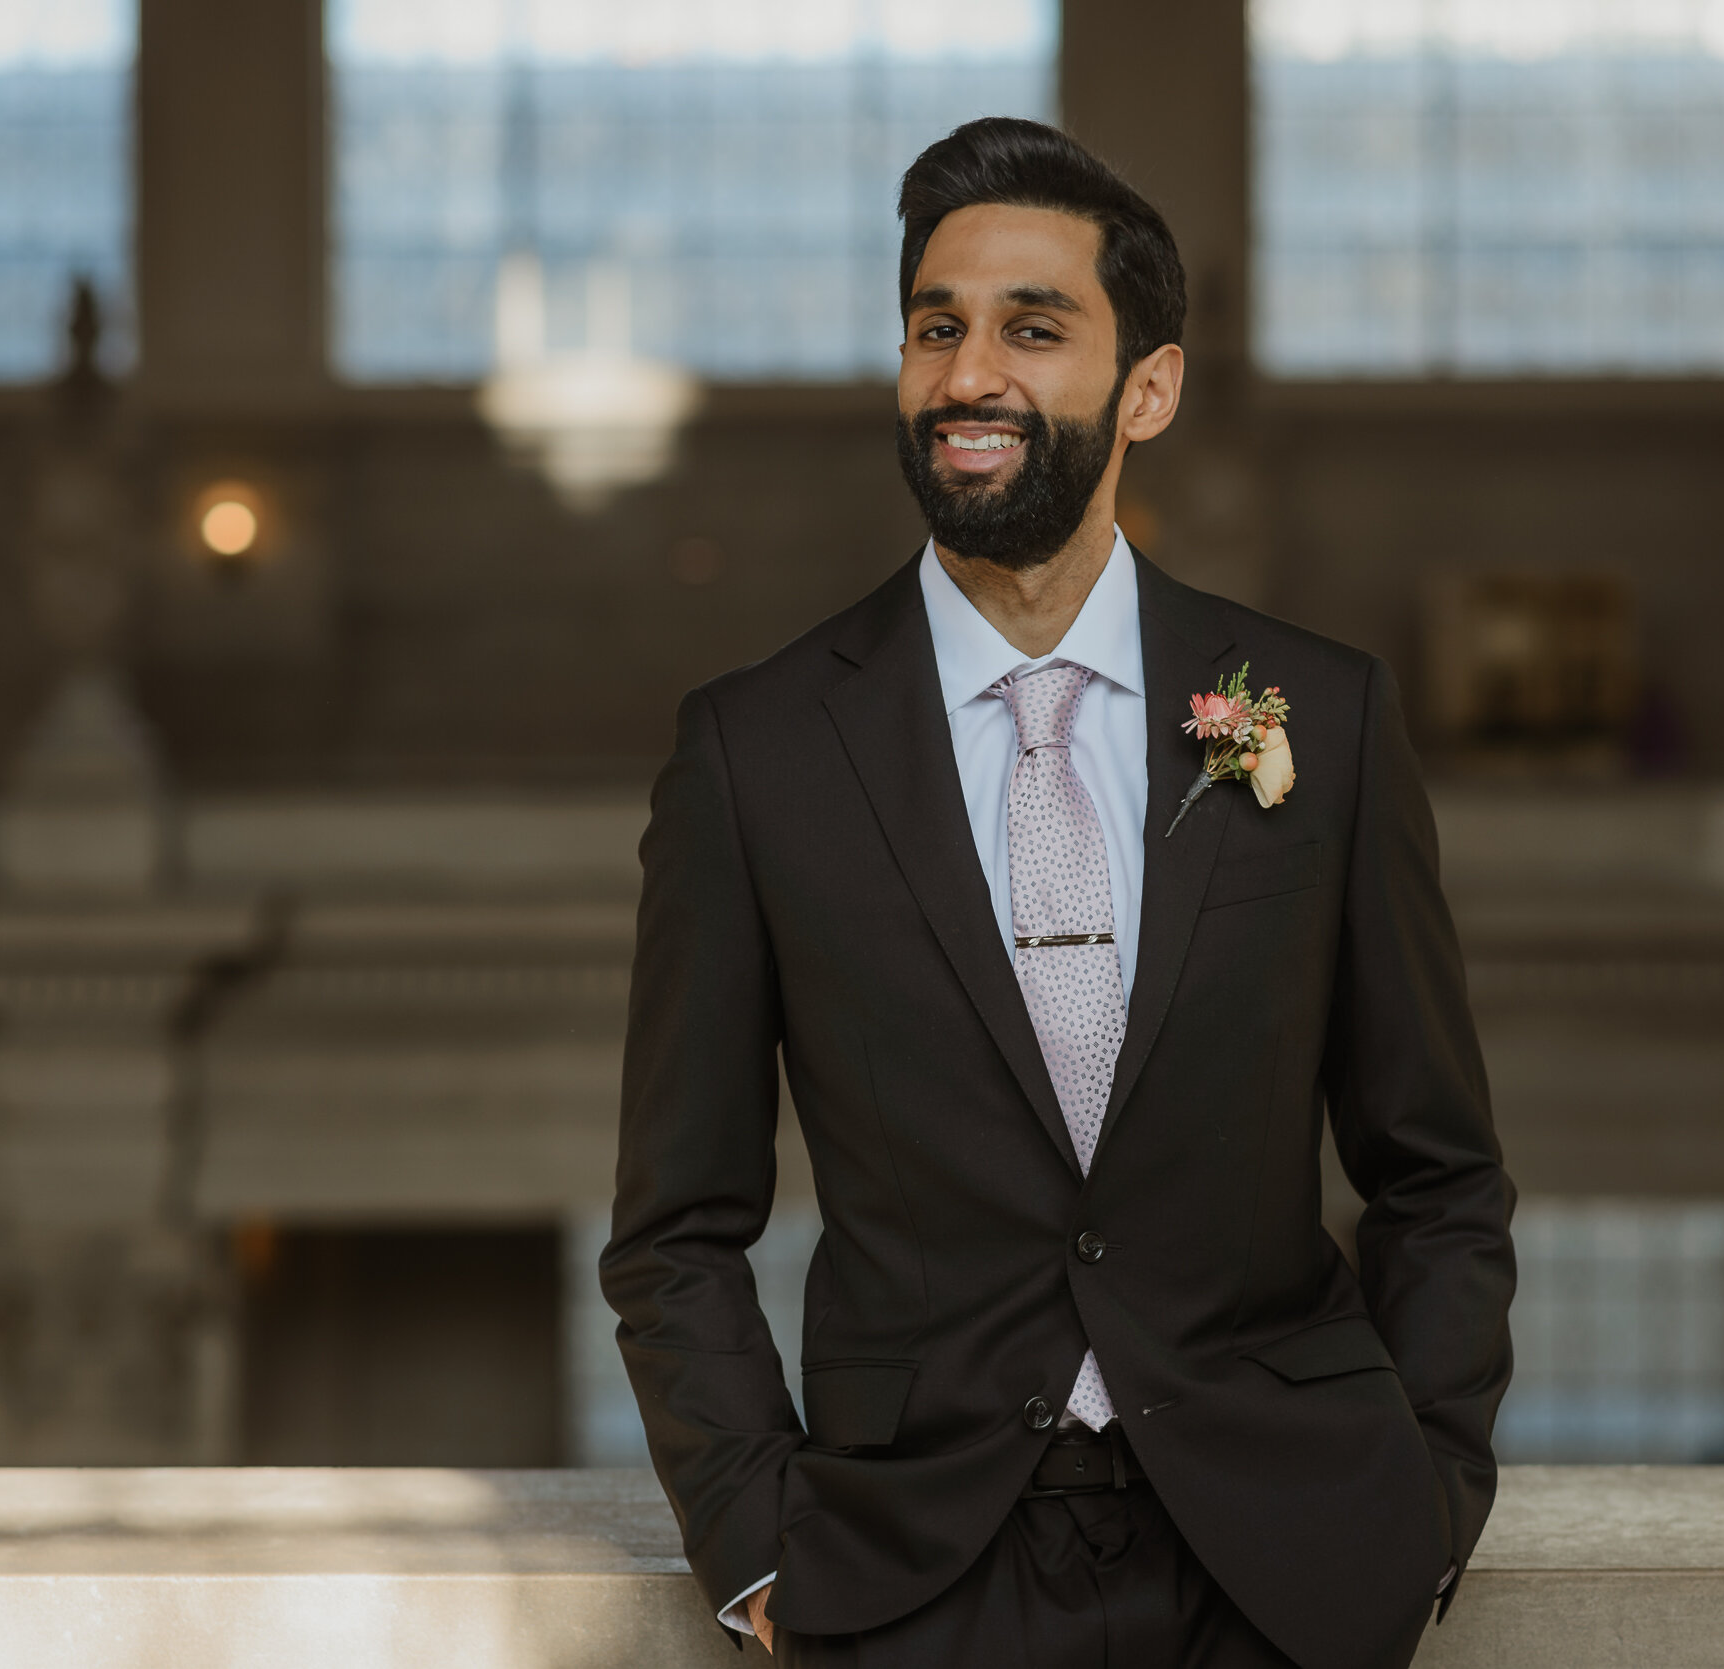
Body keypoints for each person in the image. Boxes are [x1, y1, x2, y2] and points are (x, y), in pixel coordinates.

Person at [602, 117, 1515, 1669]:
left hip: (1284, 1566)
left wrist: (1421, 1506)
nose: (970, 376)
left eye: (1035, 329)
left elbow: (1435, 1169)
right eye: (935, 329)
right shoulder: (752, 753)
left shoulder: (1320, 713)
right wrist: (756, 1541)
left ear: (1146, 386)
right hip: (908, 1574)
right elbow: (675, 1225)